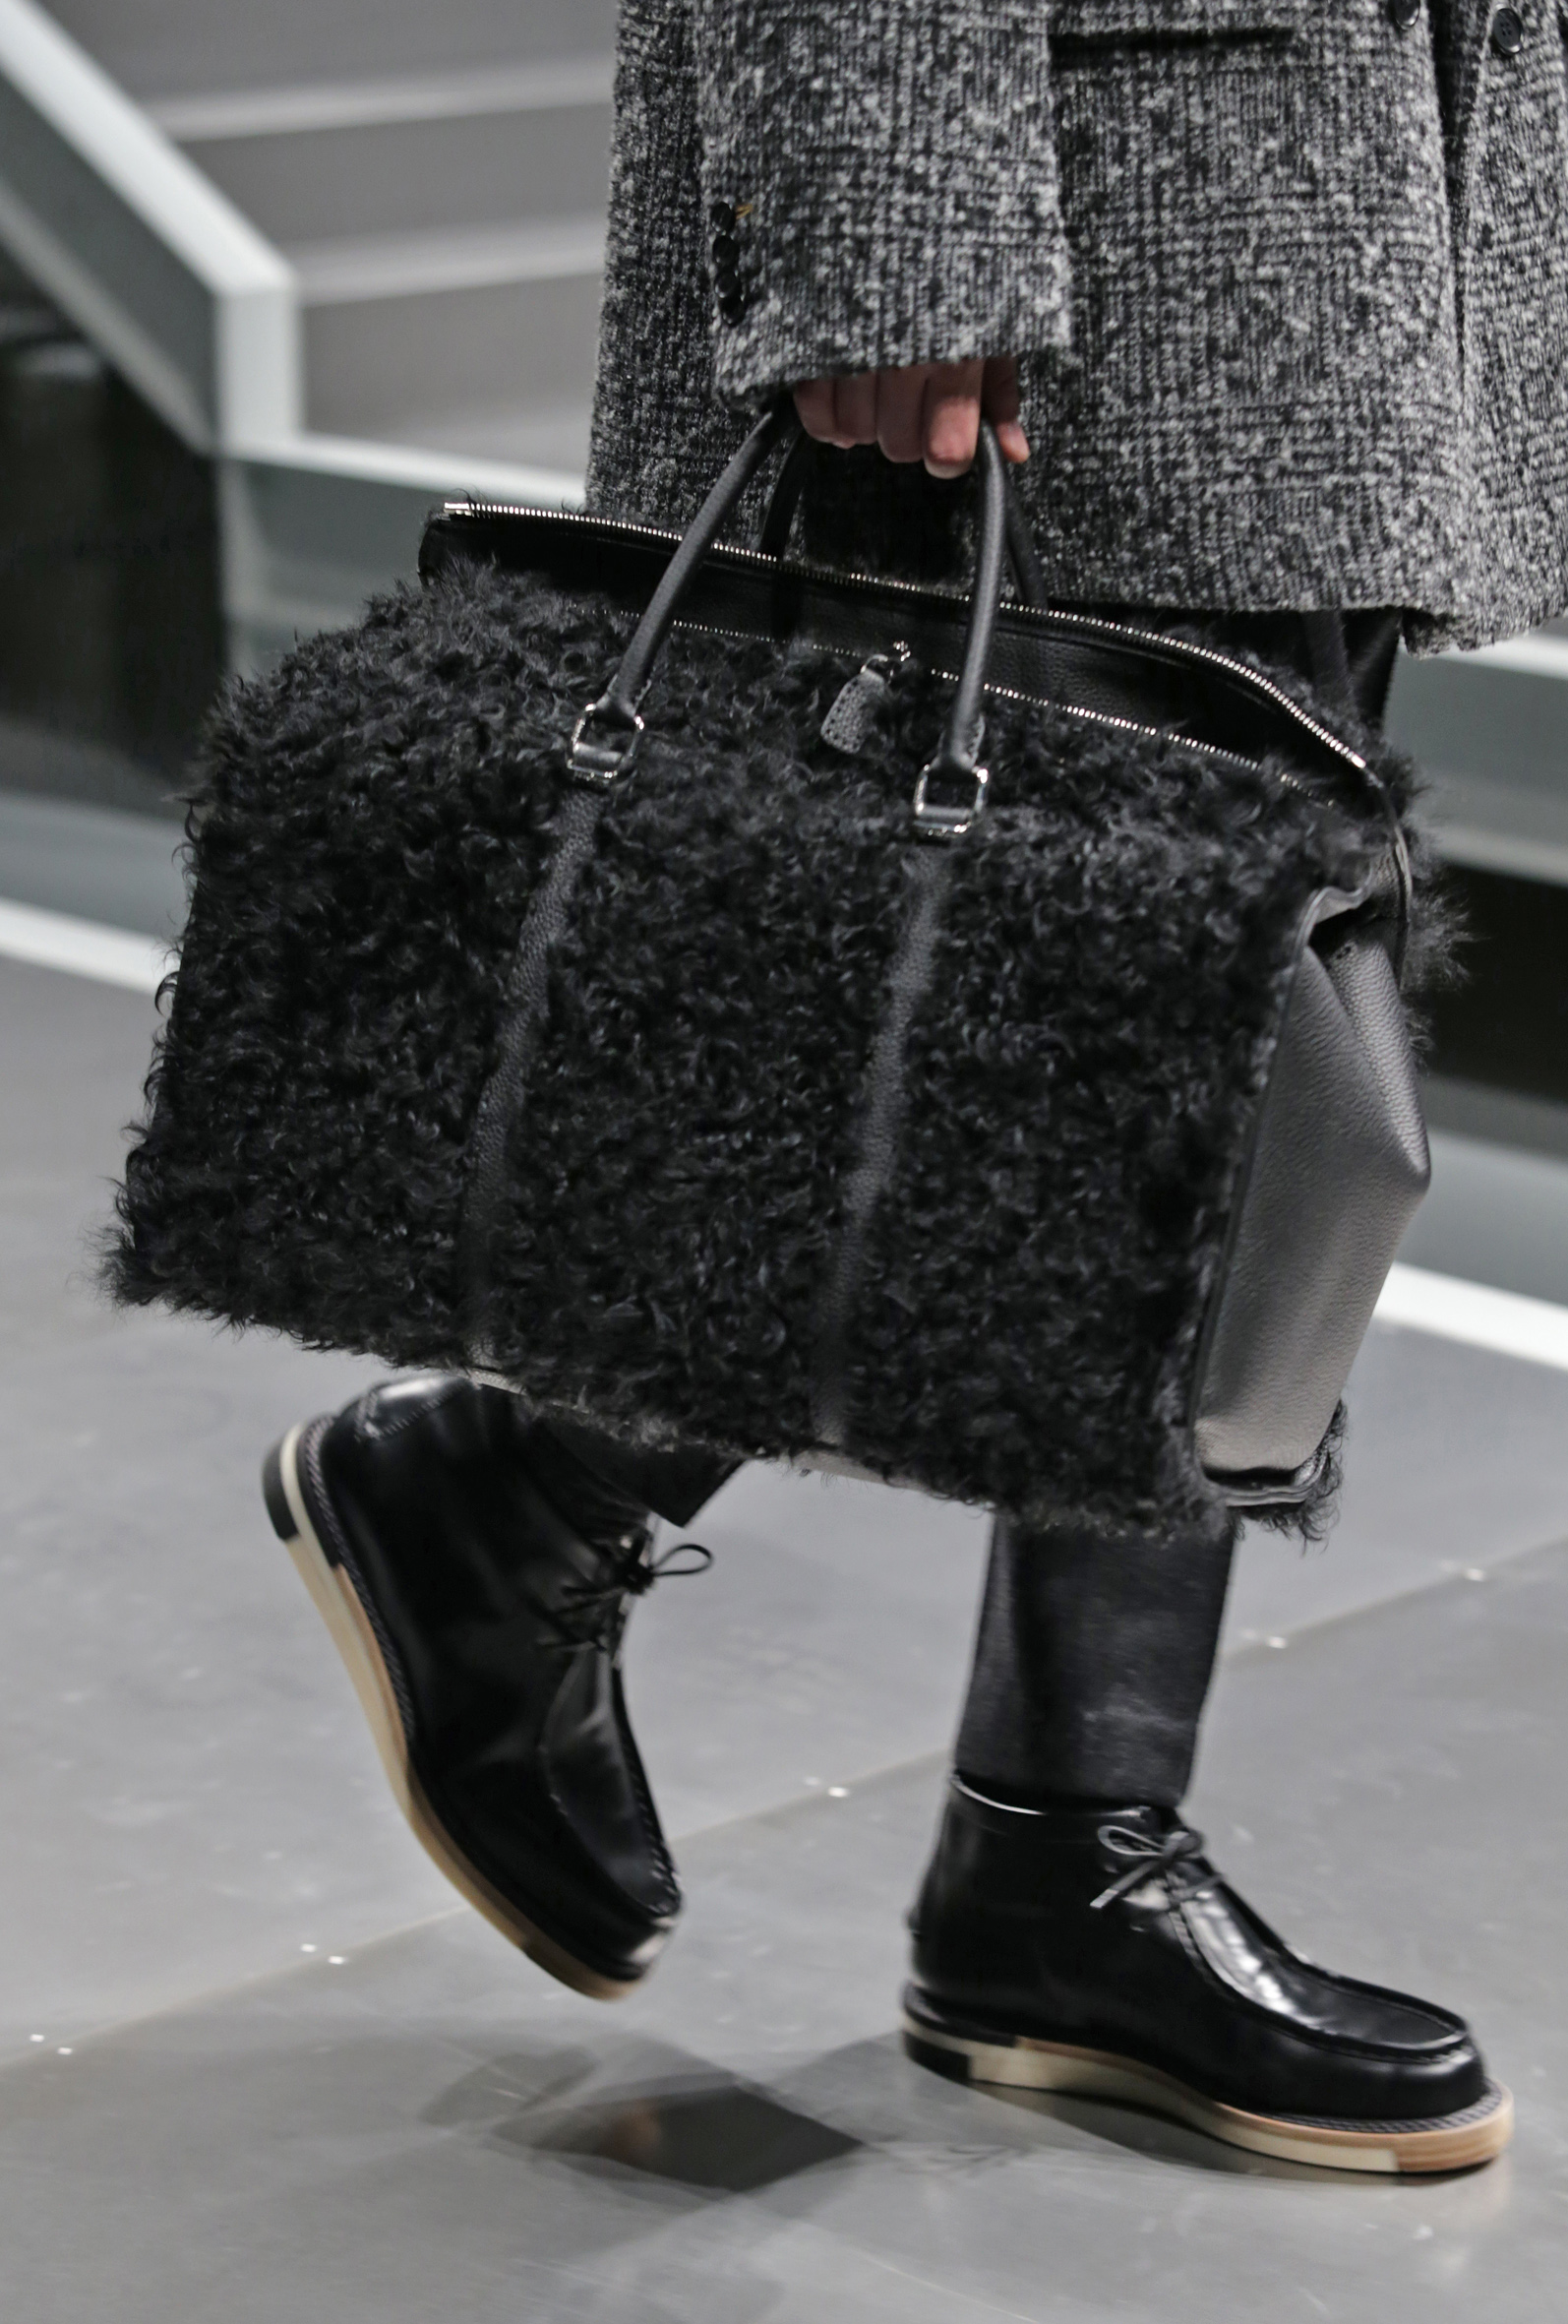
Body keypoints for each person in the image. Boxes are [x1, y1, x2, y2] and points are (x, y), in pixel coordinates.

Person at [265, 1, 1562, 2171]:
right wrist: (887, 209)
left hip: (1319, 150)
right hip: (1108, 162)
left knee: (1205, 1005)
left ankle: (1035, 1832)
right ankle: (562, 1500)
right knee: (1151, 1002)